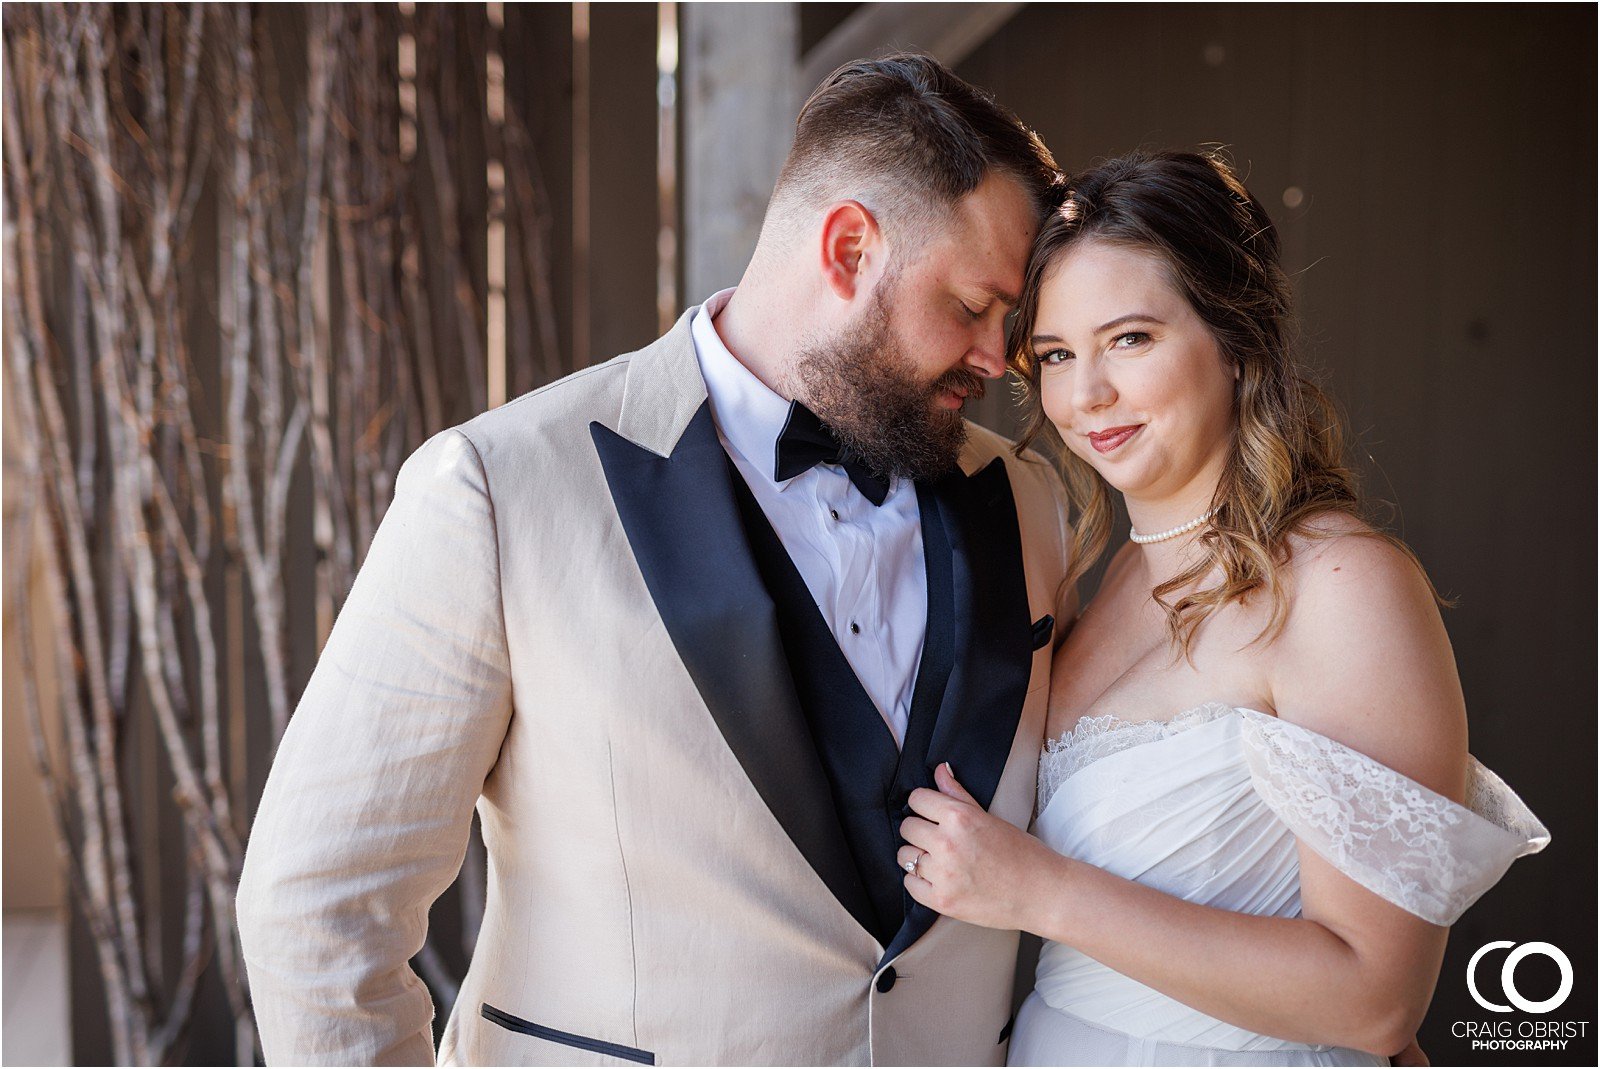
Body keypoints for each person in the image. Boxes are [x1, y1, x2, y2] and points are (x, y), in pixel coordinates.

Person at [236, 54, 1074, 1066]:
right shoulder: (498, 489)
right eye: (974, 307)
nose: (1000, 358)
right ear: (848, 247)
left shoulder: (1028, 502)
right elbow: (320, 901)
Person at [895, 152, 1549, 1066]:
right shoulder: (1106, 575)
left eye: (1130, 339)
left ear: (1236, 342)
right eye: (1055, 354)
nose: (1086, 395)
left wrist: (1039, 892)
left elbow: (1374, 999)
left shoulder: (1339, 586)